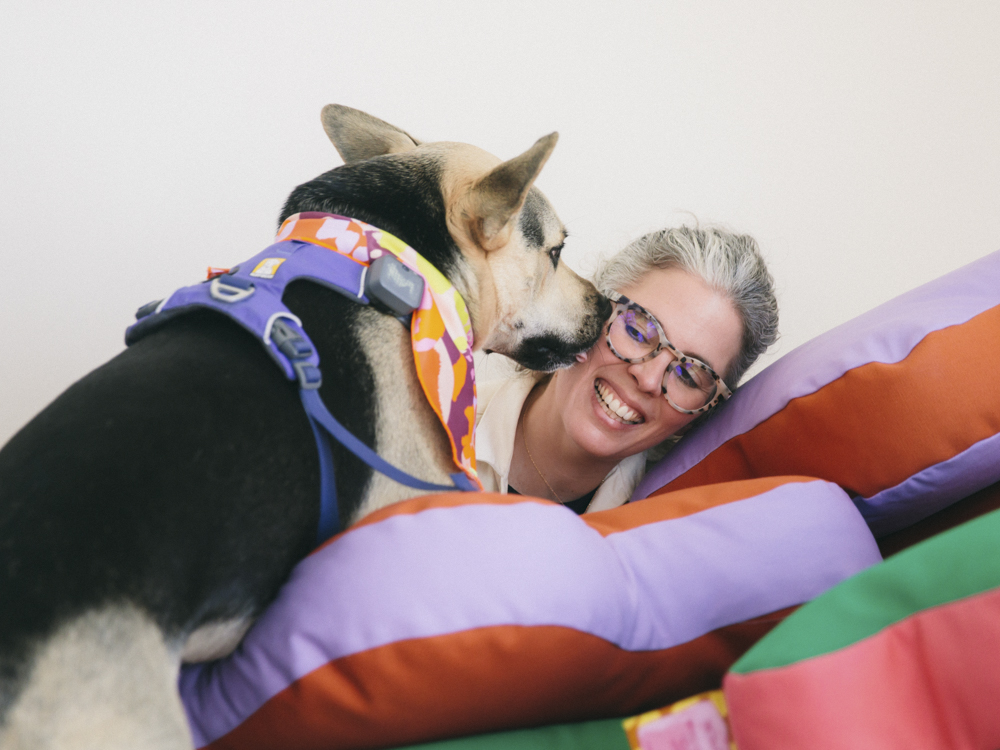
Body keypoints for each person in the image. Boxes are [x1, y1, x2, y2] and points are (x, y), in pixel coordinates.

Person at [475, 225, 779, 512]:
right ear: (588, 313)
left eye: (689, 375)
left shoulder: (664, 528)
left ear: (698, 417)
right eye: (636, 332)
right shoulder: (439, 420)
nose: (648, 379)